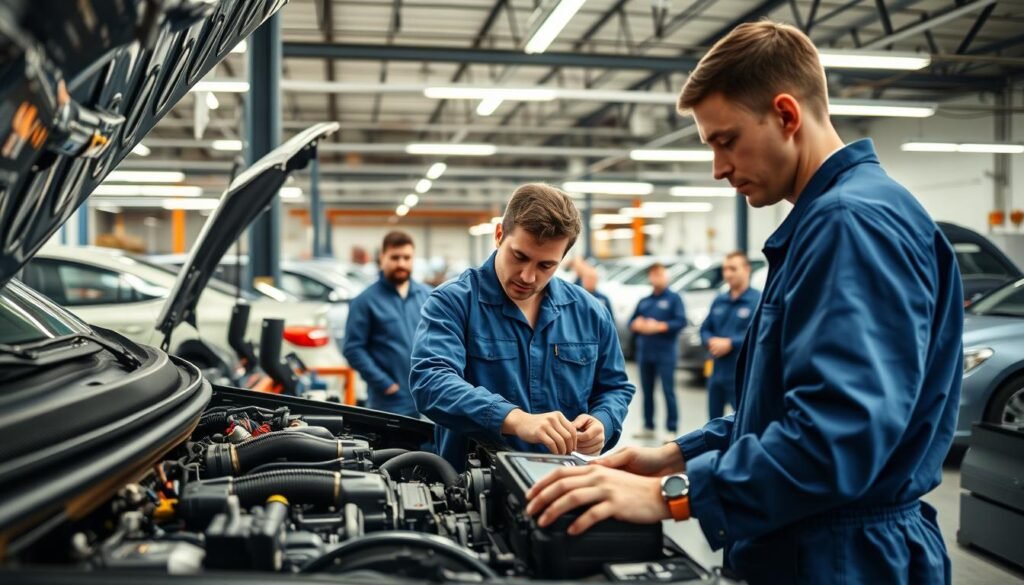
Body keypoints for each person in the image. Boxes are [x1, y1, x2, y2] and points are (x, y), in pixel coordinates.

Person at [524, 21, 962, 585]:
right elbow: (784, 410)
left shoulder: (850, 225)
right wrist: (674, 455)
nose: (719, 168)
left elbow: (836, 440)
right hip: (815, 542)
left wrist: (669, 495)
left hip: (842, 559)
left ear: (786, 114)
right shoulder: (833, 219)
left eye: (725, 140)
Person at [410, 184, 635, 470]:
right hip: (474, 489)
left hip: (564, 484)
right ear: (499, 235)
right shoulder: (453, 302)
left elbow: (614, 387)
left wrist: (604, 420)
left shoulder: (589, 312)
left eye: (546, 266)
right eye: (520, 257)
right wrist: (515, 419)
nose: (528, 276)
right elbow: (430, 382)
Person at [342, 231, 430, 417]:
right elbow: (353, 349)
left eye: (407, 258)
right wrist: (385, 383)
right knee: (394, 447)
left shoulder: (428, 297)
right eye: (395, 257)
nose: (401, 264)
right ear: (382, 258)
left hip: (428, 396)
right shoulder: (365, 302)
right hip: (390, 402)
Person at [700, 251, 760, 419]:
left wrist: (731, 343)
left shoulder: (757, 300)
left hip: (742, 374)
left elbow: (759, 333)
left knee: (742, 420)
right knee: (713, 423)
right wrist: (710, 341)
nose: (728, 274)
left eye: (733, 269)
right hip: (716, 372)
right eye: (725, 269)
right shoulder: (720, 299)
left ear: (747, 270)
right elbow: (704, 328)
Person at [630, 263, 686, 440]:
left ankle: (672, 428)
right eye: (653, 275)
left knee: (668, 390)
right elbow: (632, 322)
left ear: (666, 276)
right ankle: (648, 425)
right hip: (645, 353)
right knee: (647, 391)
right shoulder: (645, 301)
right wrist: (637, 325)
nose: (656, 278)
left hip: (665, 354)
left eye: (660, 275)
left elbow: (681, 321)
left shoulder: (674, 299)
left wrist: (659, 326)